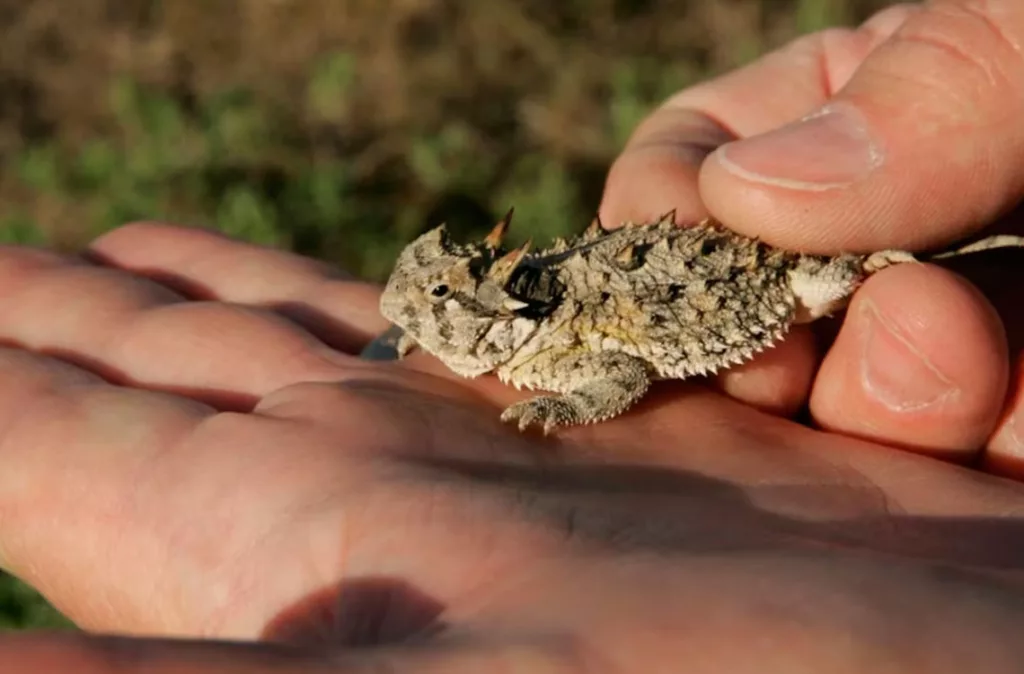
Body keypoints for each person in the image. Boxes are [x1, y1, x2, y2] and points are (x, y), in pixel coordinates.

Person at [3, 2, 1024, 671]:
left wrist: (565, 405)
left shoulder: (558, 337)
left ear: (499, 319)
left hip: (762, 282)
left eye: (437, 310)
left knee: (875, 279)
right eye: (416, 310)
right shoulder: (499, 322)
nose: (417, 321)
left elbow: (619, 368)